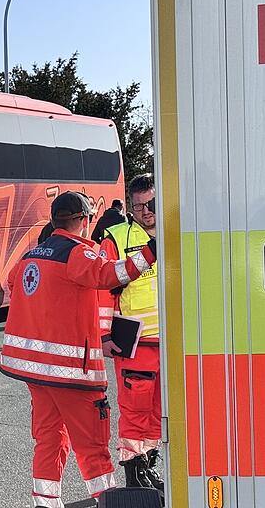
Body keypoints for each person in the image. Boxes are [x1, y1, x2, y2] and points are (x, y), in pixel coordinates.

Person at [0, 191, 158, 508]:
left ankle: (46, 503)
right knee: (92, 445)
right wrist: (152, 251)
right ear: (84, 221)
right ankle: (107, 501)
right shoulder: (77, 254)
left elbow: (13, 285)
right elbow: (114, 274)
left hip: (35, 372)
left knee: (49, 438)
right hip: (71, 373)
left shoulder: (31, 256)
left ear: (54, 220)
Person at [98, 173, 163, 492]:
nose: (146, 211)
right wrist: (104, 335)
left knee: (160, 412)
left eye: (151, 204)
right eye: (138, 207)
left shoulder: (181, 229)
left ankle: (149, 465)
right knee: (135, 410)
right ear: (129, 207)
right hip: (134, 340)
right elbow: (102, 289)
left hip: (172, 341)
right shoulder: (117, 238)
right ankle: (134, 473)